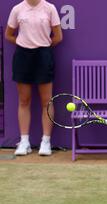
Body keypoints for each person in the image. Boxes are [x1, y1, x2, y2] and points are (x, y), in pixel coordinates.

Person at [5, 0, 63, 156]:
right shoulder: (17, 9)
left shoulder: (49, 8)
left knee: (47, 101)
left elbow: (57, 36)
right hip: (22, 57)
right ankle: (24, 142)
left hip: (43, 56)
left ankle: (46, 141)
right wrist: (23, 43)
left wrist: (42, 46)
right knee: (24, 100)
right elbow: (8, 35)